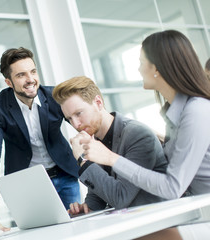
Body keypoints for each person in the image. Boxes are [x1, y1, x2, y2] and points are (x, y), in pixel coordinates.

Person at [74, 30, 210, 239]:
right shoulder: (177, 112)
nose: (138, 68)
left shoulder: (196, 110)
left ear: (156, 68)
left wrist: (110, 158)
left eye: (141, 62)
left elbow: (172, 186)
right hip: (195, 210)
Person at [0, 47, 80, 239]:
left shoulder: (54, 96)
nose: (30, 79)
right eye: (21, 75)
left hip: (65, 175)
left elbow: (83, 123)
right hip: (29, 185)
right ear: (8, 82)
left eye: (33, 71)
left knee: (74, 232)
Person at [52, 76, 167, 215]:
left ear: (98, 103)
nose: (75, 124)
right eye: (69, 118)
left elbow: (120, 197)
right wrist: (87, 208)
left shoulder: (137, 135)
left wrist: (83, 161)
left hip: (158, 221)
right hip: (130, 223)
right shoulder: (95, 140)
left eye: (79, 113)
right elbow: (98, 197)